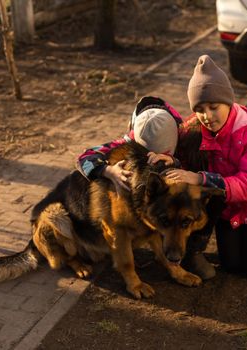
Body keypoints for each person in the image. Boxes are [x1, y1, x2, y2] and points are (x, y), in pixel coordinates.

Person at [160, 54, 247, 275]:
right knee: (231, 266)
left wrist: (201, 178)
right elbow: (179, 156)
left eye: (214, 106)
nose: (207, 115)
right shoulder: (192, 130)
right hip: (225, 208)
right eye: (200, 109)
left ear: (228, 102)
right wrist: (171, 159)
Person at [75, 96, 218, 280]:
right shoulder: (130, 139)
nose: (155, 162)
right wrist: (107, 170)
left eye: (160, 157)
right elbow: (84, 156)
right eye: (150, 158)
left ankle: (194, 250)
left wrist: (175, 161)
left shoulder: (183, 132)